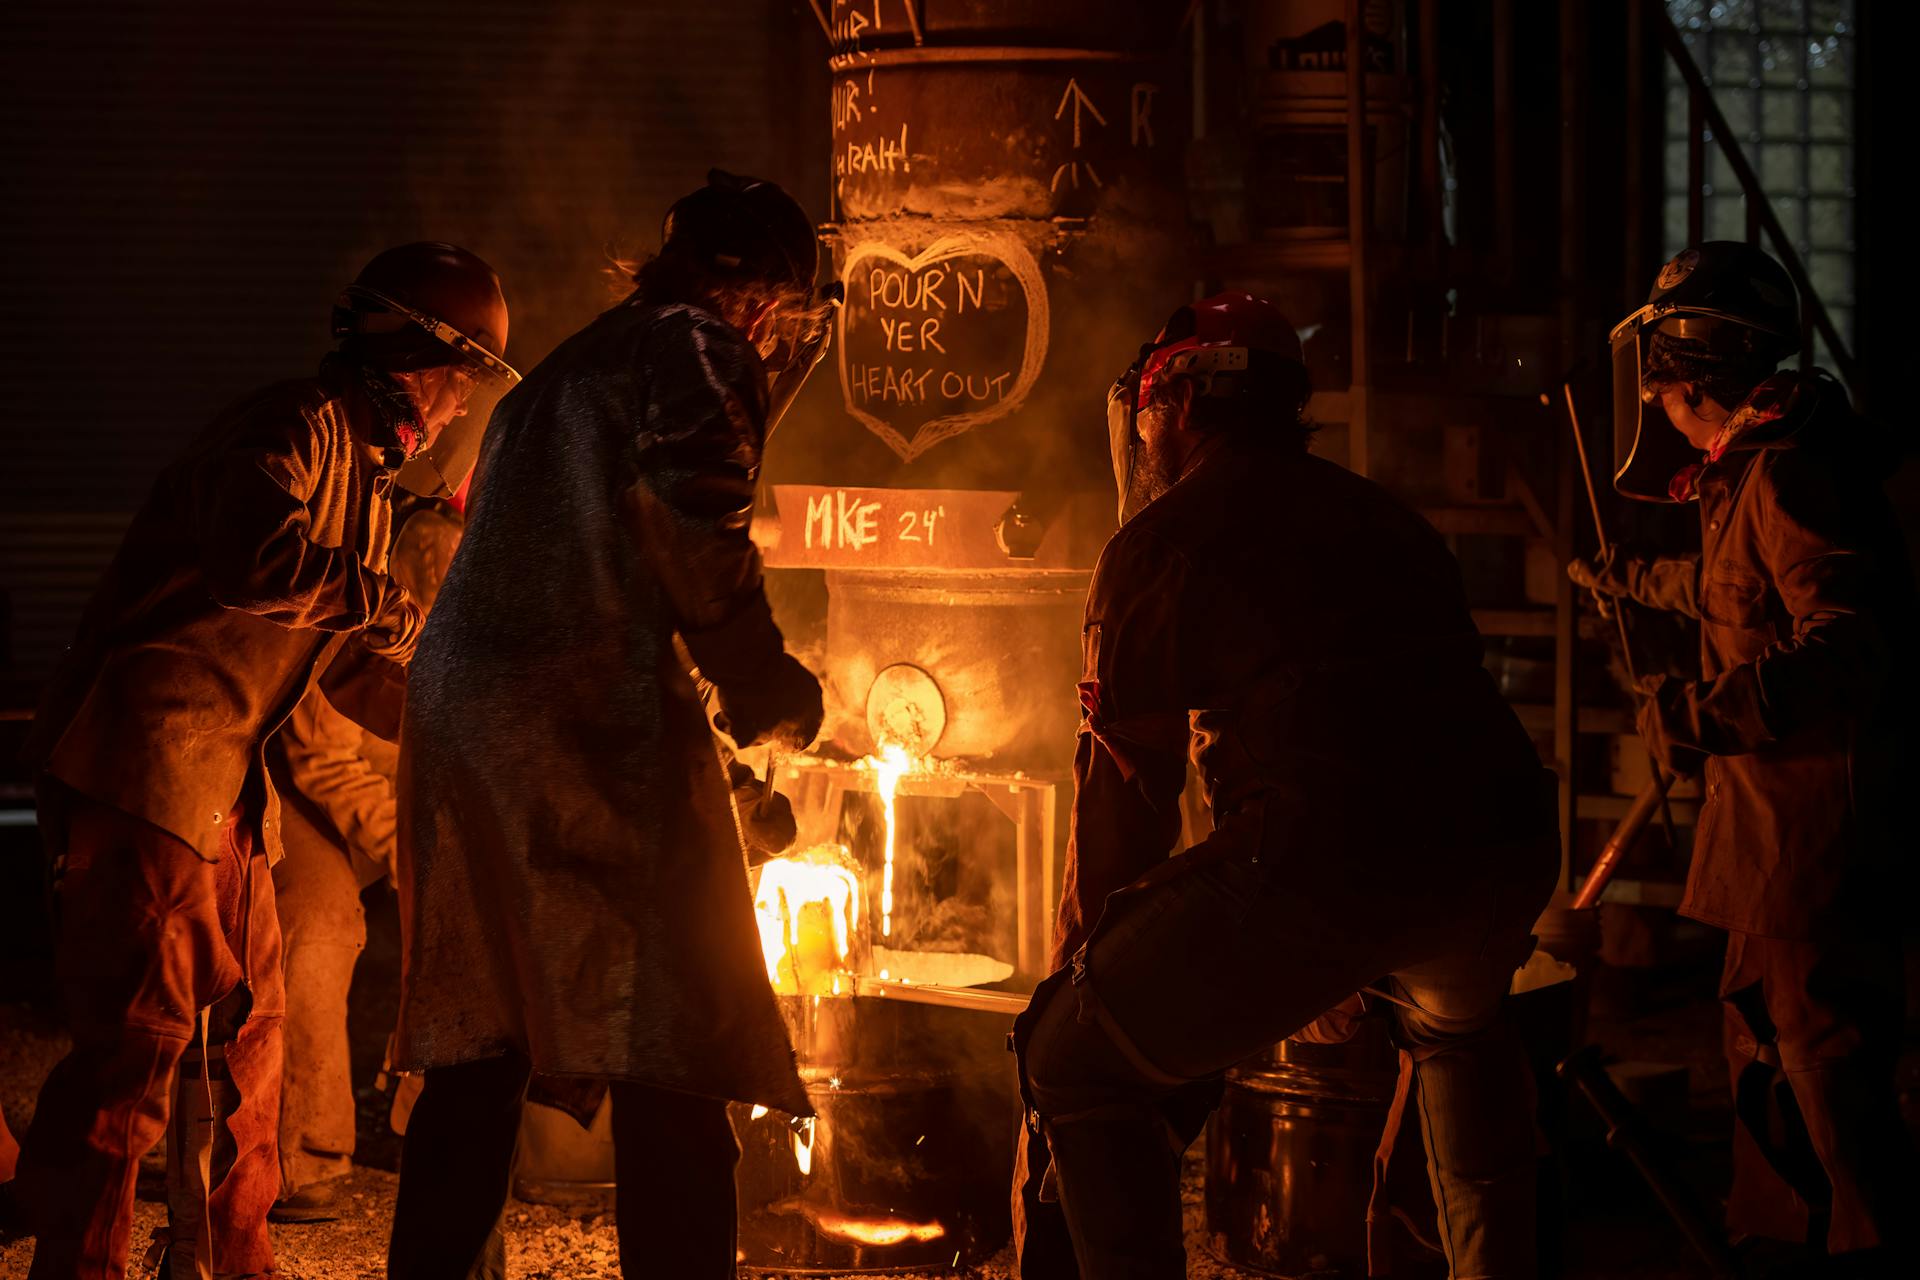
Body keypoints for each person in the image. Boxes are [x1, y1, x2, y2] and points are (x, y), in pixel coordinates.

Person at [1012, 291, 1560, 1279]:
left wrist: (1080, 980)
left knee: (1070, 1055)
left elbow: (1127, 799)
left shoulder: (1159, 544)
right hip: (1498, 841)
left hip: (1324, 857)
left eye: (1143, 416)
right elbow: (1402, 733)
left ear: (1175, 406)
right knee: (1459, 1031)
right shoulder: (1385, 518)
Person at [13, 241, 515, 1280]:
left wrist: (457, 706)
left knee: (254, 1030)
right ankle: (83, 1266)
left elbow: (330, 666)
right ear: (417, 361)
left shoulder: (368, 483)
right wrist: (398, 612)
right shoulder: (288, 425)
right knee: (138, 1047)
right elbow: (257, 562)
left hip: (225, 781)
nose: (465, 408)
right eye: (465, 379)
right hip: (148, 766)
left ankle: (235, 1255)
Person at [385, 170, 832, 1280]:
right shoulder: (692, 347)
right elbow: (693, 527)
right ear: (759, 288)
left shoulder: (570, 367)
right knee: (673, 1037)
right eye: (775, 306)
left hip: (461, 719)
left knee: (481, 1044)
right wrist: (768, 686)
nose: (770, 330)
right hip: (576, 721)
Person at [1572, 241, 1917, 1265]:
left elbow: (1846, 639)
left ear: (1685, 373)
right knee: (1765, 1055)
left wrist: (1702, 713)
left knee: (1821, 1068)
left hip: (1809, 840)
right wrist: (1628, 576)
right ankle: (1774, 1247)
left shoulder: (1790, 470)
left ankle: (1866, 1245)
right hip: (1766, 842)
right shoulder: (1762, 461)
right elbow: (1740, 593)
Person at [266, 486, 466, 1225]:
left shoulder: (462, 615)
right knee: (321, 923)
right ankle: (303, 1157)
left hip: (391, 806)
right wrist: (414, 849)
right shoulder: (356, 619)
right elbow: (325, 766)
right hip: (296, 792)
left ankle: (426, 1123)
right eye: (435, 578)